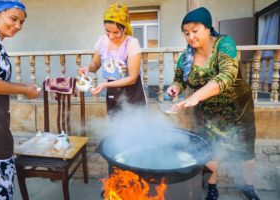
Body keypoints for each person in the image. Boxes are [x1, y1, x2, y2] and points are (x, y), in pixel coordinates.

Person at [166, 7, 260, 200]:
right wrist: (175, 87)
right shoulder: (186, 58)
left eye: (195, 30)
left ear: (208, 28)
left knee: (245, 150)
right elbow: (180, 80)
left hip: (237, 110)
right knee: (210, 152)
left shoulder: (225, 44)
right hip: (207, 113)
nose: (190, 37)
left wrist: (195, 96)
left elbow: (227, 75)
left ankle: (249, 187)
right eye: (186, 33)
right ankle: (212, 187)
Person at [0, 0, 40, 199]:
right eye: (13, 19)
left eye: (21, 22)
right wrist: (22, 92)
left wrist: (23, 86)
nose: (18, 26)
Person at [78, 3, 146, 116]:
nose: (111, 36)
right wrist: (88, 67)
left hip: (132, 92)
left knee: (135, 126)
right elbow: (95, 64)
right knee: (115, 125)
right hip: (112, 91)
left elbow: (132, 78)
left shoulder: (132, 43)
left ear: (124, 28)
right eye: (107, 31)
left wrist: (104, 85)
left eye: (115, 32)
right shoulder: (102, 41)